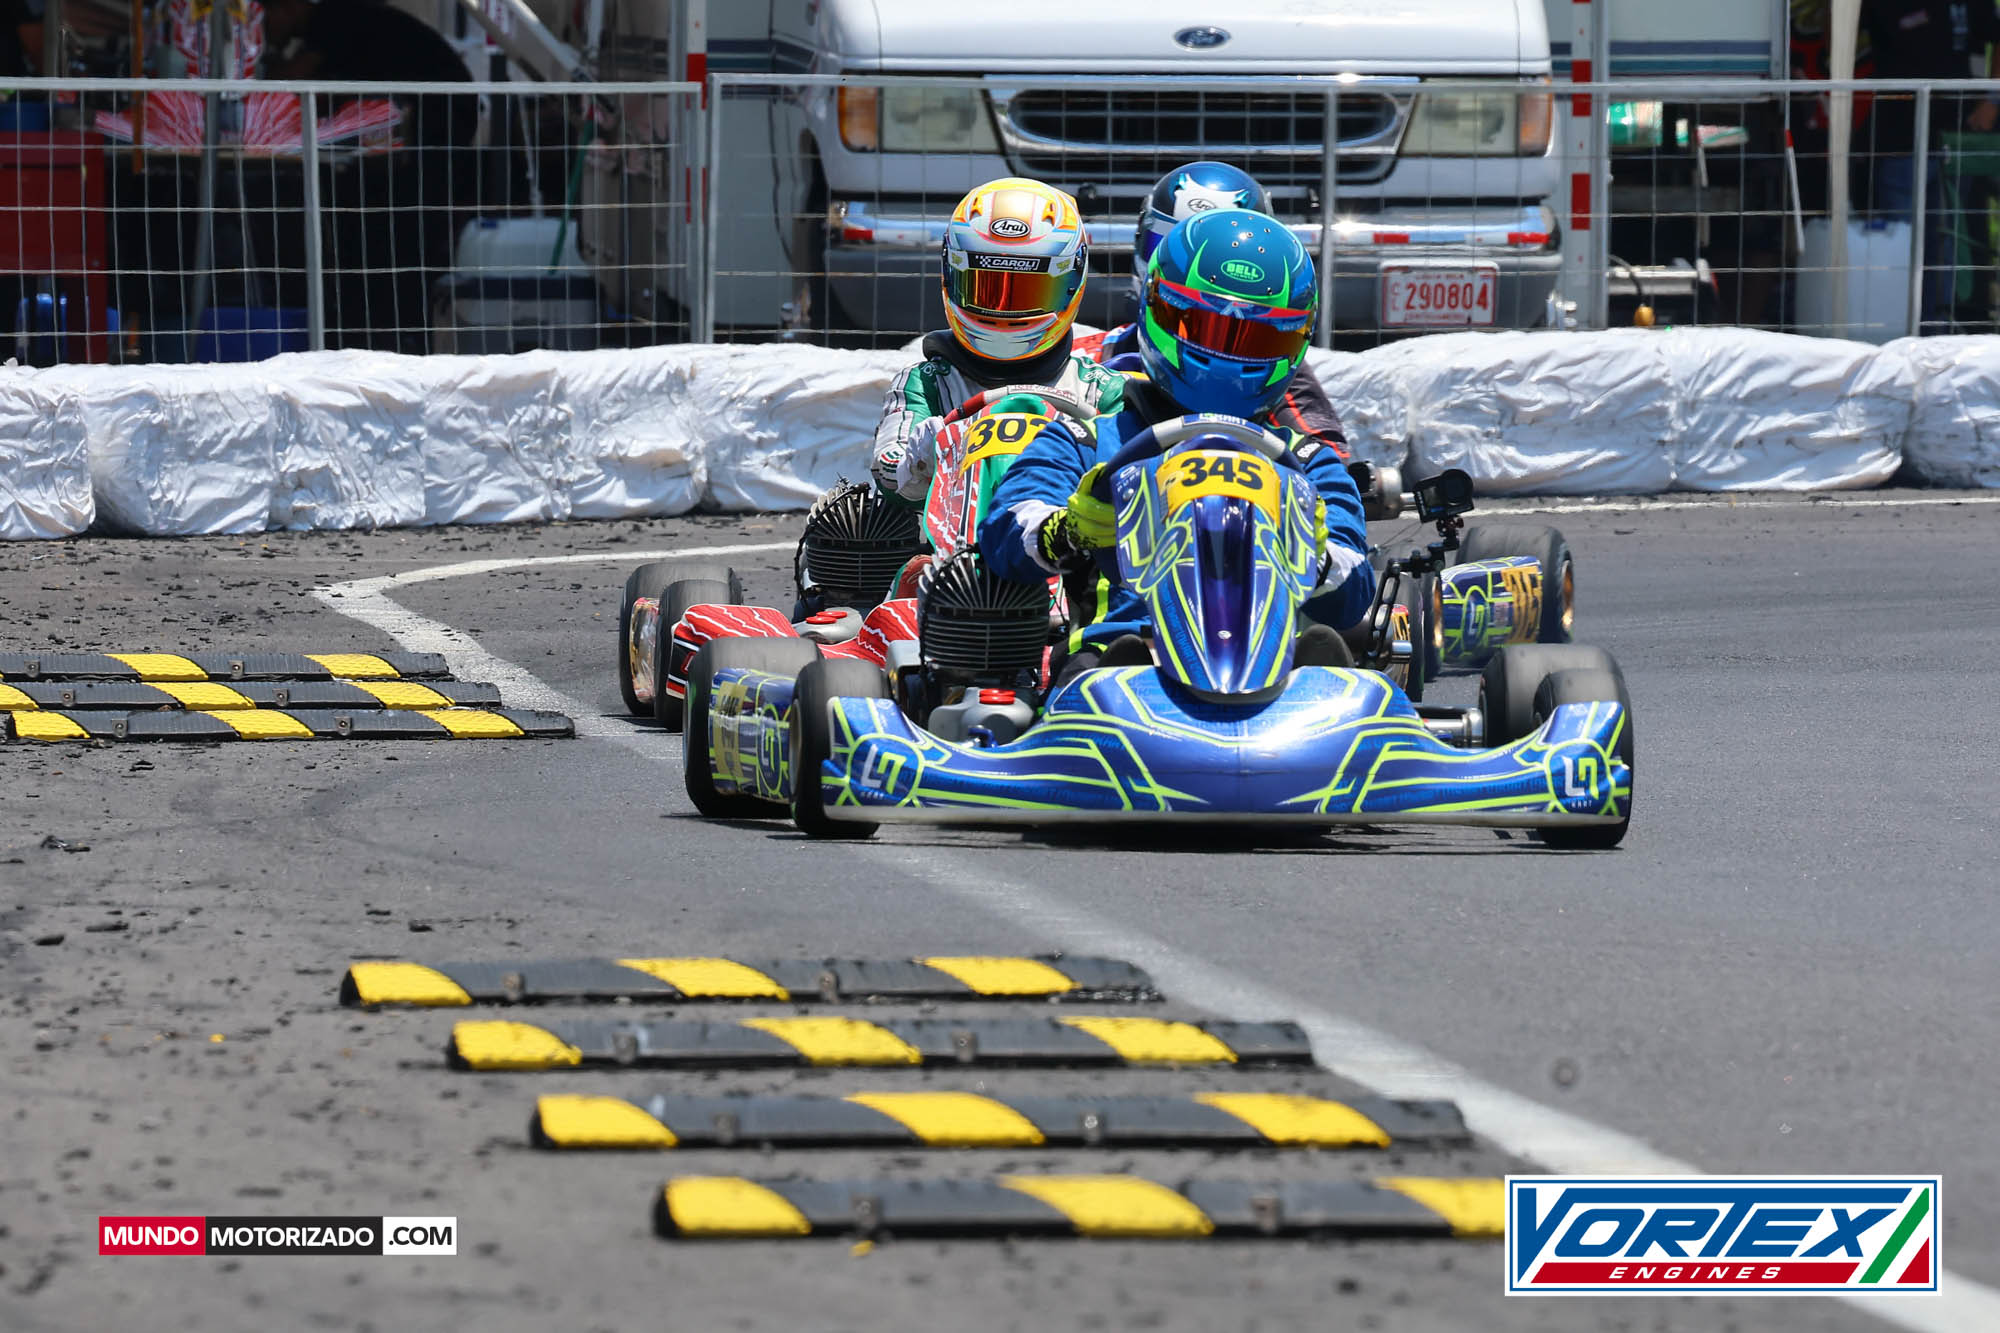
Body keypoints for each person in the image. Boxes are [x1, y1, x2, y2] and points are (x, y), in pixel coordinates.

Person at [979, 208, 1373, 680]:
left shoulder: (1308, 461)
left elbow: (1353, 592)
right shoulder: (1087, 439)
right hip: (1121, 661)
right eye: (1202, 328)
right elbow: (1005, 528)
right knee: (1091, 674)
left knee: (1339, 674)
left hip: (1274, 672)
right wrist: (1069, 530)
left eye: (1257, 338)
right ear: (1157, 310)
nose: (1226, 354)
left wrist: (1316, 553)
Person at [872, 177, 1127, 508]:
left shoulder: (1100, 391)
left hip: (1064, 532)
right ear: (951, 274)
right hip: (944, 537)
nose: (1003, 310)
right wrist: (917, 460)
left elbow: (1140, 476)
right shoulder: (926, 384)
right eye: (986, 288)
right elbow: (887, 465)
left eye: (1028, 291)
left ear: (1072, 280)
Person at [1075, 161, 1353, 457]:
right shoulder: (1092, 359)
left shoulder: (1276, 370)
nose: (1186, 266)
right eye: (1167, 244)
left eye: (1252, 337)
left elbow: (1326, 458)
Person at [265, 0, 480, 352]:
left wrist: (266, 62)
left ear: (288, 8)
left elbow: (289, 81)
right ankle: (391, 324)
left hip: (438, 115)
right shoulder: (340, 25)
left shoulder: (330, 20)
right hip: (428, 119)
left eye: (267, 16)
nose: (265, 26)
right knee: (396, 223)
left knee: (411, 224)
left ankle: (402, 327)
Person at [1861, 0, 2000, 330]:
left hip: (1955, 137)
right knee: (1901, 242)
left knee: (1947, 244)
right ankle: (1901, 332)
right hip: (1898, 141)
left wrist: (1992, 101)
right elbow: (1841, 43)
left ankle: (1937, 332)